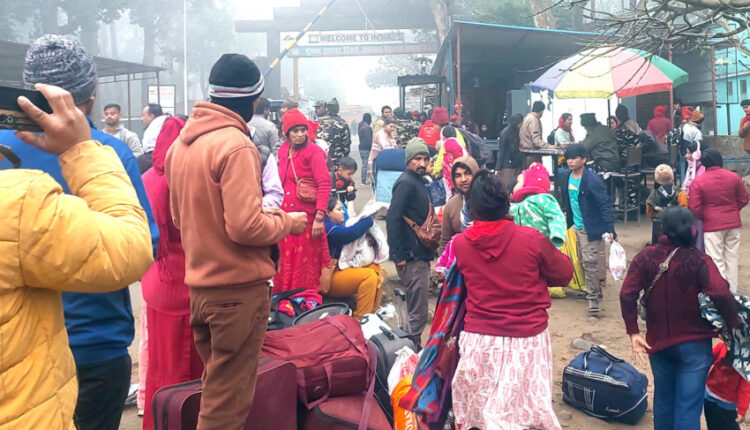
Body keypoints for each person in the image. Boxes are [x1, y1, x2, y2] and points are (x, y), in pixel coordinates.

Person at [0, 35, 159, 430]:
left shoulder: (4, 149)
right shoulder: (107, 153)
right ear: (89, 98)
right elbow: (142, 241)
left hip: (16, 351)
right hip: (94, 342)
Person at [165, 53, 307, 430]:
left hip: (201, 291)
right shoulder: (236, 146)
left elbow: (179, 219)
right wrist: (287, 222)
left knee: (216, 390)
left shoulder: (180, 146)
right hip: (236, 293)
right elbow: (245, 227)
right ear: (254, 99)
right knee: (227, 406)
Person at [451, 170, 573, 430]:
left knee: (481, 415)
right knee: (526, 414)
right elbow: (564, 274)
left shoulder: (460, 244)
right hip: (527, 339)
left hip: (479, 340)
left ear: (471, 209)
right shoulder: (531, 239)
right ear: (506, 202)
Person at [621, 206, 739, 430]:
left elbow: (627, 294)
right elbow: (721, 293)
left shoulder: (645, 256)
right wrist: (731, 324)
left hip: (658, 342)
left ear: (663, 228)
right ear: (693, 231)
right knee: (688, 408)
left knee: (663, 402)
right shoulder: (699, 260)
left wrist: (633, 331)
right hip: (694, 346)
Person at [140, 115, 204, 429]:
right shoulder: (185, 180)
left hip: (155, 281)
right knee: (186, 373)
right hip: (183, 284)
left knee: (159, 367)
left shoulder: (146, 178)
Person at [275, 108, 333, 292]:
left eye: (303, 130)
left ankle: (304, 302)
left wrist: (319, 217)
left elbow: (324, 184)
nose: (300, 134)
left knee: (304, 264)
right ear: (287, 133)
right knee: (284, 261)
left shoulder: (314, 152)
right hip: (286, 218)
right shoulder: (283, 151)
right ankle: (283, 301)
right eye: (295, 131)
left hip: (307, 220)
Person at [386, 138, 434, 346]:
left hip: (418, 253)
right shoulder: (406, 183)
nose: (422, 163)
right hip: (412, 256)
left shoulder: (417, 181)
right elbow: (392, 218)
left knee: (417, 307)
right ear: (408, 161)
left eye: (425, 159)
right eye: (417, 159)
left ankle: (412, 346)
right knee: (417, 311)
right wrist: (399, 255)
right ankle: (411, 349)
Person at [561, 145, 616, 314]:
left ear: (584, 160)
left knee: (589, 261)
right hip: (576, 225)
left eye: (574, 158)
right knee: (582, 259)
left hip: (590, 226)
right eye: (568, 158)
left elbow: (604, 204)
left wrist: (610, 228)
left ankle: (592, 298)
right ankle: (595, 291)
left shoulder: (592, 180)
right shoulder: (566, 176)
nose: (570, 161)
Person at [688, 149, 750, 291]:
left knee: (715, 259)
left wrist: (705, 217)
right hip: (733, 223)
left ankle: (721, 293)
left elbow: (694, 207)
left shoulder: (698, 181)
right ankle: (732, 291)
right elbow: (744, 199)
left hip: (711, 226)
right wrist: (733, 211)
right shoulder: (734, 177)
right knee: (732, 258)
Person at [323, 196, 384, 317]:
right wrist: (369, 220)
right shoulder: (326, 226)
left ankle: (373, 313)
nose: (343, 212)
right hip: (329, 277)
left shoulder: (337, 224)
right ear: (328, 213)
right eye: (339, 209)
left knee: (376, 269)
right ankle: (361, 318)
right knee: (369, 277)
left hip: (340, 269)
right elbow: (348, 234)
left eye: (342, 209)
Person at [510, 162, 567, 248]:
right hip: (525, 246)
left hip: (544, 244)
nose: (515, 186)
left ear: (528, 183)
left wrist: (557, 234)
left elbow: (556, 216)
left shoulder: (544, 199)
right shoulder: (518, 205)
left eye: (518, 182)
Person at [439, 156, 480, 255]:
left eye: (468, 173)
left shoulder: (490, 200)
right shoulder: (451, 205)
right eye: (458, 176)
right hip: (462, 260)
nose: (463, 179)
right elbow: (445, 242)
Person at [704, 341, 750, 430]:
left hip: (720, 399)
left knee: (720, 426)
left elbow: (745, 388)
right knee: (716, 425)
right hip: (715, 397)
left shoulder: (746, 361)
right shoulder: (722, 346)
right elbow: (707, 360)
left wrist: (742, 410)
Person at [646, 164, 688, 245]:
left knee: (658, 245)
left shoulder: (654, 194)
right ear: (672, 177)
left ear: (657, 179)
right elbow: (684, 208)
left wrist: (654, 216)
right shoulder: (680, 193)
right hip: (676, 224)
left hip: (659, 224)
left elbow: (649, 210)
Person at [317, 97, 352, 171]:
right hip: (336, 161)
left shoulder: (317, 121)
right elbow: (346, 144)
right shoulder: (342, 123)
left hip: (319, 159)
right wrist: (345, 156)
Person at [496, 113, 524, 191]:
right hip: (509, 165)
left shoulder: (516, 132)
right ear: (518, 123)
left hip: (514, 164)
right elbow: (502, 151)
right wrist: (498, 168)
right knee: (508, 188)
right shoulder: (506, 133)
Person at [441, 125, 469, 196]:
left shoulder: (448, 143)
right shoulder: (459, 143)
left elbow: (448, 162)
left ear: (443, 137)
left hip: (456, 179)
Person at [358, 113, 373, 184]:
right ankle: (363, 181)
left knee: (364, 164)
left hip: (361, 147)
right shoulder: (367, 127)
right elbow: (368, 140)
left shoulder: (361, 126)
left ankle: (364, 180)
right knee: (365, 165)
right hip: (366, 148)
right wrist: (371, 148)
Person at [739, 99, 750, 176]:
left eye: (746, 107)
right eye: (743, 108)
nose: (745, 110)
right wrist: (744, 128)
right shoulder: (743, 120)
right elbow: (741, 135)